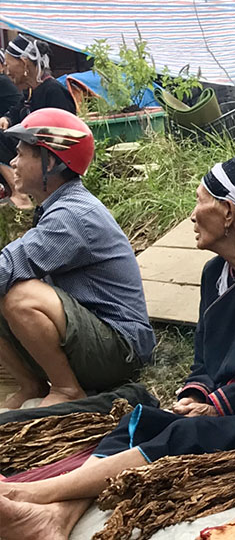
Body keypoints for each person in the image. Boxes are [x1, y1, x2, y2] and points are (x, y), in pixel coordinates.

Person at [0, 156, 235, 540]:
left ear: (227, 212)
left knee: (183, 436)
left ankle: (29, 492)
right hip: (220, 405)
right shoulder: (214, 275)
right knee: (138, 422)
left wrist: (218, 405)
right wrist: (194, 392)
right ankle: (56, 519)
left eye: (200, 201)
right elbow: (203, 359)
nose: (191, 215)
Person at [0, 108, 155, 410]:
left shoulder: (72, 216)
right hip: (93, 336)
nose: (14, 163)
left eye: (22, 155)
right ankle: (32, 385)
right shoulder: (56, 208)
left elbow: (9, 266)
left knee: (20, 295)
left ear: (52, 161)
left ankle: (67, 389)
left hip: (121, 348)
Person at [1, 35, 76, 211]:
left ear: (25, 63)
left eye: (9, 63)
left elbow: (63, 133)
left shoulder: (53, 91)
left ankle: (20, 195)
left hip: (49, 155)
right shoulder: (31, 92)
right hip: (31, 149)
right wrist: (7, 119)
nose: (7, 70)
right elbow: (15, 112)